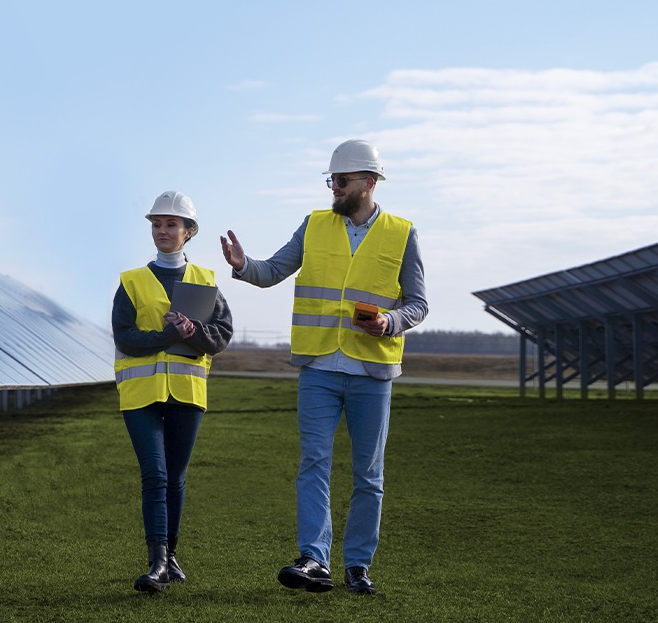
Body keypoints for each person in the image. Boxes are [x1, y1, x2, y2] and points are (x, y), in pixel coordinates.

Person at [219, 140, 427, 596]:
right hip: (318, 368)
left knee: (368, 476)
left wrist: (391, 322)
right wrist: (242, 266)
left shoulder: (402, 232)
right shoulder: (313, 225)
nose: (334, 187)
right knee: (313, 463)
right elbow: (273, 269)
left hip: (372, 373)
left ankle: (358, 565)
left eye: (342, 180)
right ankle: (315, 559)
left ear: (368, 183)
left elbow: (418, 304)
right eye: (331, 180)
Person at [113, 190, 234, 594]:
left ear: (189, 232)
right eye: (156, 224)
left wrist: (193, 331)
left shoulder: (207, 281)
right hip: (140, 395)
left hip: (187, 392)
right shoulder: (130, 281)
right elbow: (125, 337)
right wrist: (168, 334)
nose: (162, 230)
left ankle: (172, 555)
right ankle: (158, 563)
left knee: (176, 478)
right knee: (156, 474)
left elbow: (220, 337)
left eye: (171, 224)